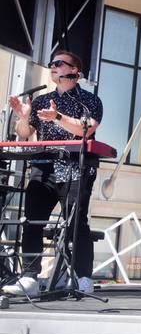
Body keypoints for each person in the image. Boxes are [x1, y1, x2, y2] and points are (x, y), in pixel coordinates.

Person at [1, 50, 103, 297]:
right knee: (33, 221)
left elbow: (85, 130)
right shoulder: (40, 100)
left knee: (76, 222)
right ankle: (30, 277)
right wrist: (24, 117)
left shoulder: (89, 101)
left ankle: (82, 277)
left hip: (75, 168)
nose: (53, 66)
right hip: (44, 167)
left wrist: (57, 117)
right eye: (52, 63)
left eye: (59, 63)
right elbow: (24, 133)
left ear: (74, 72)